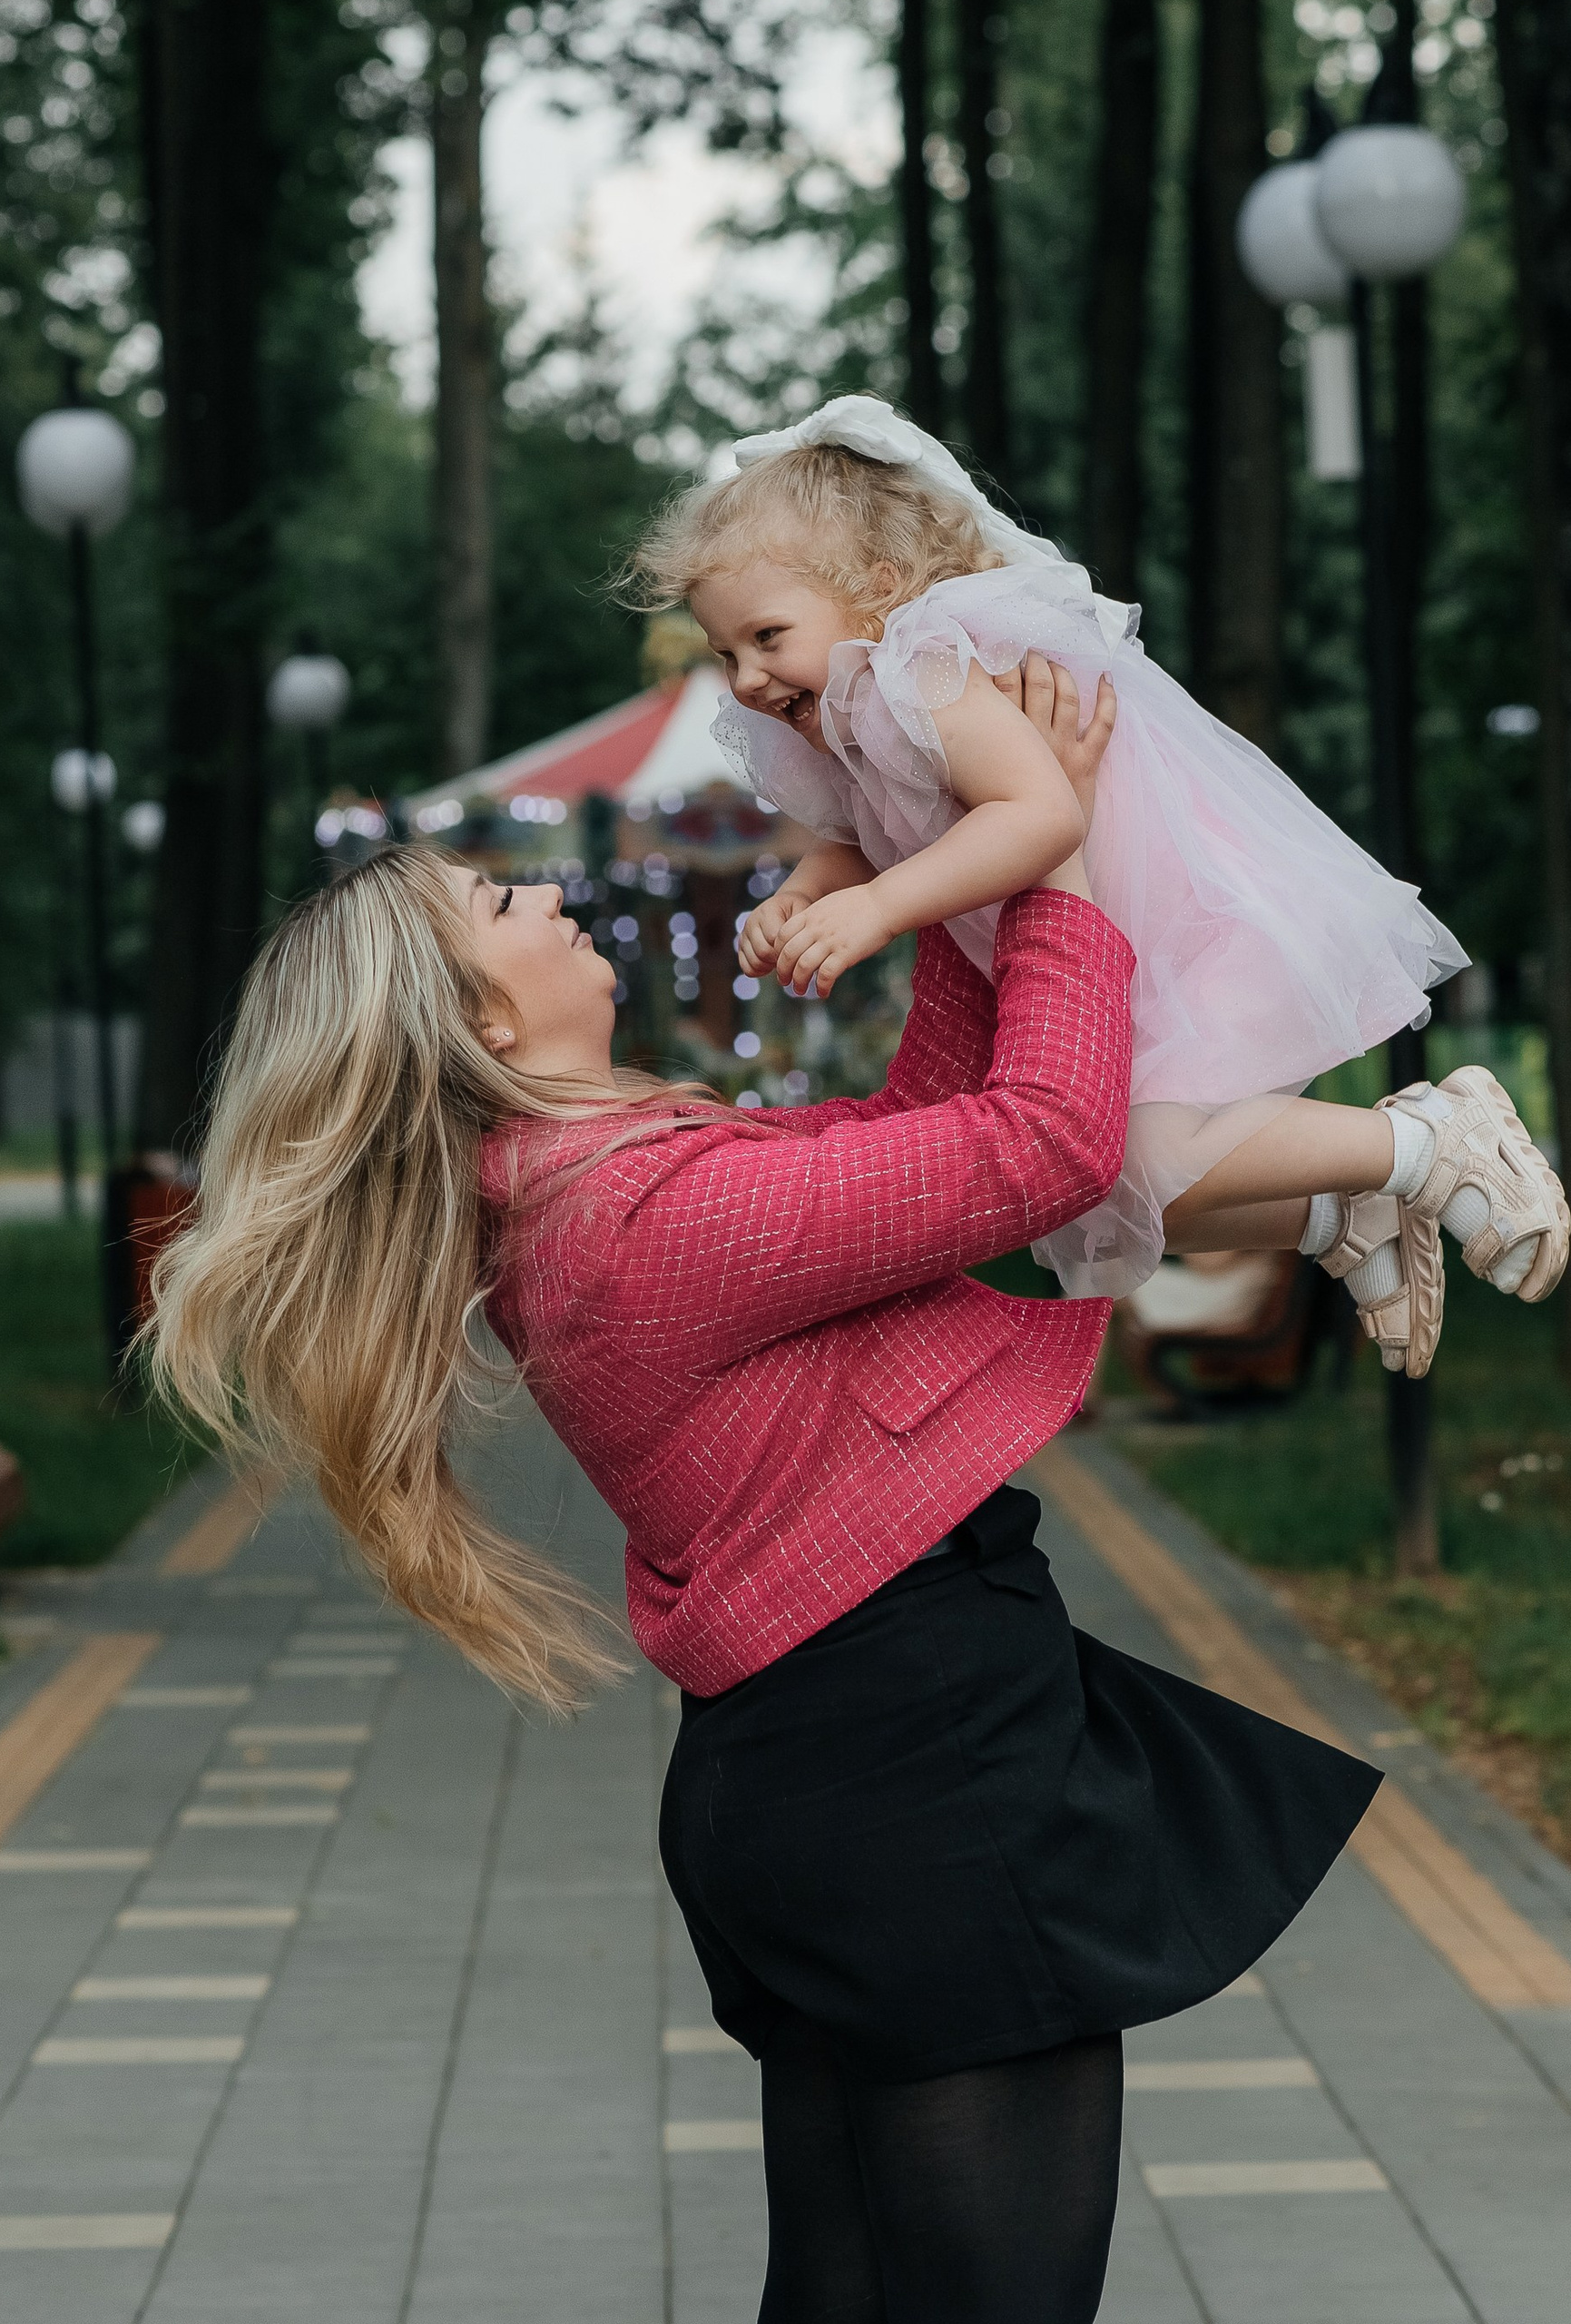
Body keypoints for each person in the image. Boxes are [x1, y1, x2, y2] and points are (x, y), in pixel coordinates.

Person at [145, 667, 1383, 2324]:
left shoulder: (590, 1193)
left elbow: (913, 1141)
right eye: (505, 902)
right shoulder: (642, 1214)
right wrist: (1054, 860)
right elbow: (1037, 1149)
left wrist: (938, 875)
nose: (554, 895)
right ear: (486, 1025)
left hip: (839, 1773)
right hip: (915, 1773)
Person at [623, 393, 1570, 1376]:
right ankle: (1341, 1208)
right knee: (1100, 1184)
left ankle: (1426, 1137)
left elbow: (1039, 815)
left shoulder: (925, 670)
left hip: (1184, 922)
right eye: (726, 652)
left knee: (1127, 1163)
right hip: (1114, 949)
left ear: (879, 587)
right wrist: (806, 892)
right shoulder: (846, 725)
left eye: (768, 637)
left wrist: (876, 909)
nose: (743, 679)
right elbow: (863, 838)